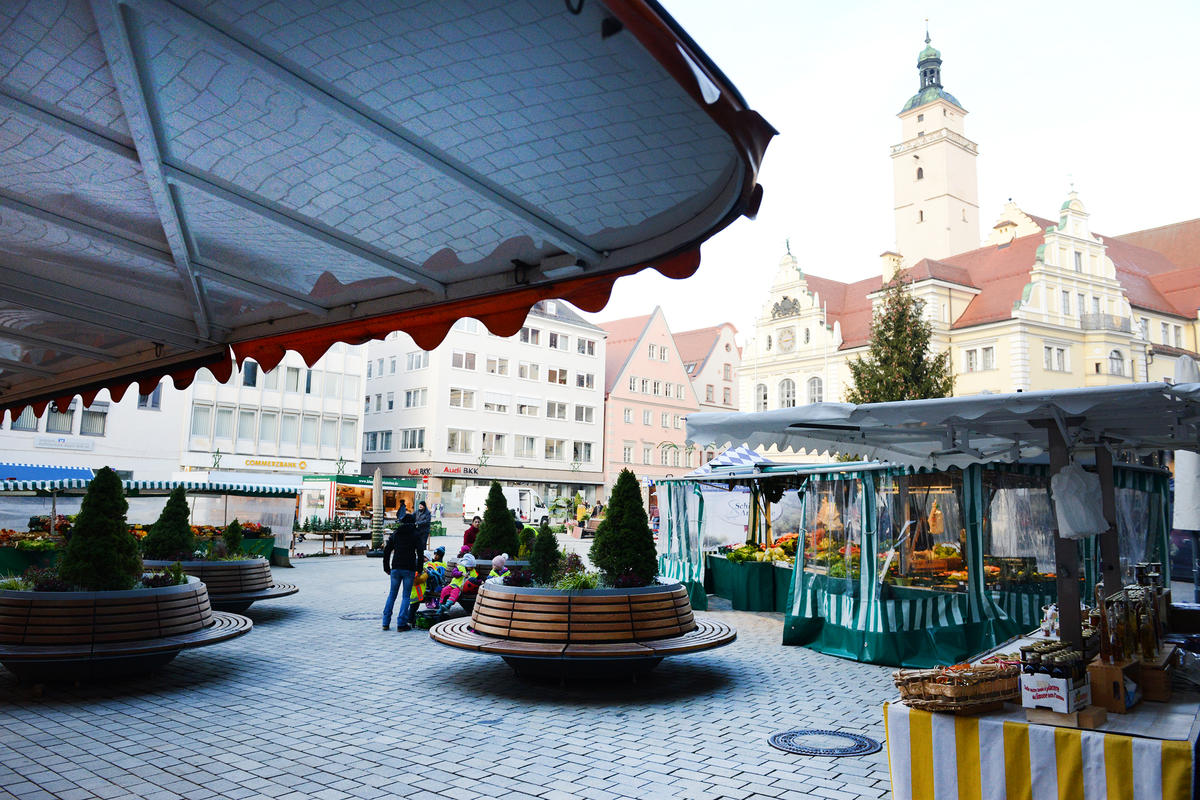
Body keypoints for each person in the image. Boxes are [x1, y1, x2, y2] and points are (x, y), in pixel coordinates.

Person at [381, 513, 422, 631]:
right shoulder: (415, 534)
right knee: (406, 596)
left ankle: (385, 622)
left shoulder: (396, 534)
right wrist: (419, 569)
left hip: (395, 567)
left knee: (392, 594)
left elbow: (387, 551)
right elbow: (420, 553)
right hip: (409, 568)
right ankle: (401, 623)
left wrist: (386, 567)